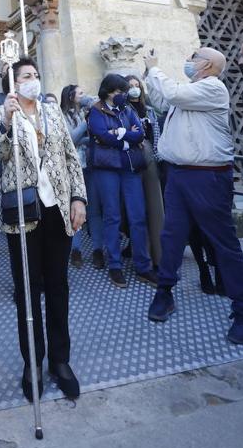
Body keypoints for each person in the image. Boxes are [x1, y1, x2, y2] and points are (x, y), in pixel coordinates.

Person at [0, 57, 87, 401]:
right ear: (13, 84)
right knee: (27, 290)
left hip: (57, 208)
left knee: (58, 286)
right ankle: (32, 362)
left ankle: (61, 361)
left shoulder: (53, 112)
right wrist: (6, 118)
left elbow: (70, 158)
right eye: (26, 76)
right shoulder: (3, 114)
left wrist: (79, 198)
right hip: (23, 211)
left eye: (35, 74)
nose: (33, 80)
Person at [144, 47, 243, 344]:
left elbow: (171, 94)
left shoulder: (212, 88)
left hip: (208, 177)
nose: (188, 60)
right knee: (172, 237)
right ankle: (165, 292)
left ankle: (242, 309)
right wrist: (148, 77)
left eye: (193, 56)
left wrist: (154, 68)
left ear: (209, 65)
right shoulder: (191, 91)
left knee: (223, 243)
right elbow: (163, 100)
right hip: (179, 175)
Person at [88, 74, 157, 289]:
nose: (123, 95)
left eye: (124, 92)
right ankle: (115, 266)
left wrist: (119, 134)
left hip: (130, 169)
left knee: (138, 216)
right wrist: (127, 136)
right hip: (107, 169)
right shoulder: (96, 110)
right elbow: (101, 135)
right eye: (119, 92)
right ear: (108, 91)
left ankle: (143, 266)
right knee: (112, 217)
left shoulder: (128, 110)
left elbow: (140, 134)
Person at [60, 84, 104, 269]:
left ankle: (98, 250)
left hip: (91, 165)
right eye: (80, 93)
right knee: (75, 209)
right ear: (70, 96)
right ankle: (75, 250)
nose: (84, 96)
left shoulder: (86, 111)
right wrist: (87, 124)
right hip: (74, 168)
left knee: (94, 210)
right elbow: (70, 138)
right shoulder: (62, 115)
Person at [126, 75, 165, 268]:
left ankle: (160, 257)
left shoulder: (149, 110)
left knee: (156, 209)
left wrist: (157, 157)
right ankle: (144, 258)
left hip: (150, 160)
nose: (134, 89)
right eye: (130, 86)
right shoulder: (123, 111)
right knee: (137, 211)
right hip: (131, 161)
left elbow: (156, 135)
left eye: (137, 85)